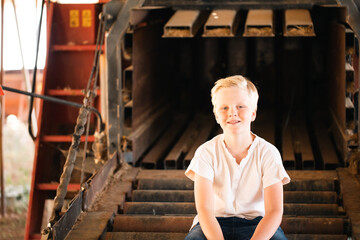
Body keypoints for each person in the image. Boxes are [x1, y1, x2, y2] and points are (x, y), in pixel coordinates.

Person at [184, 75, 290, 240]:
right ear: (216, 115)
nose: (232, 113)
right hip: (213, 223)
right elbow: (204, 210)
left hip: (257, 223)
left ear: (253, 113)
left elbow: (274, 211)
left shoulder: (268, 153)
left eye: (241, 106)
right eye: (224, 108)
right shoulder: (206, 152)